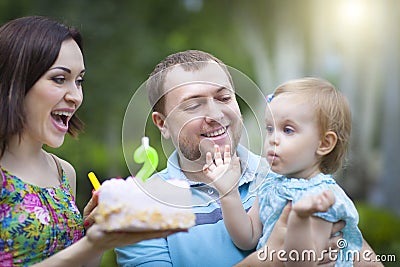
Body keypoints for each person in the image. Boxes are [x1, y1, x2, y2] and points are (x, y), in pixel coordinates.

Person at [115, 50, 378, 266]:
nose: (216, 114)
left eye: (224, 97)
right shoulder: (140, 209)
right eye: (193, 105)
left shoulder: (290, 176)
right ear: (162, 124)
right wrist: (269, 259)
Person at [0, 16, 174, 267]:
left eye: (79, 81)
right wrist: (92, 244)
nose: (75, 96)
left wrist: (95, 235)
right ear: (17, 81)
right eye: (59, 79)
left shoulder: (63, 173)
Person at [202, 77, 364, 266]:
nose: (273, 139)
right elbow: (247, 237)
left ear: (324, 143)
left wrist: (299, 219)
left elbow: (304, 263)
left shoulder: (322, 198)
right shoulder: (271, 184)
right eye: (270, 129)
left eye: (287, 130)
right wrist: (228, 192)